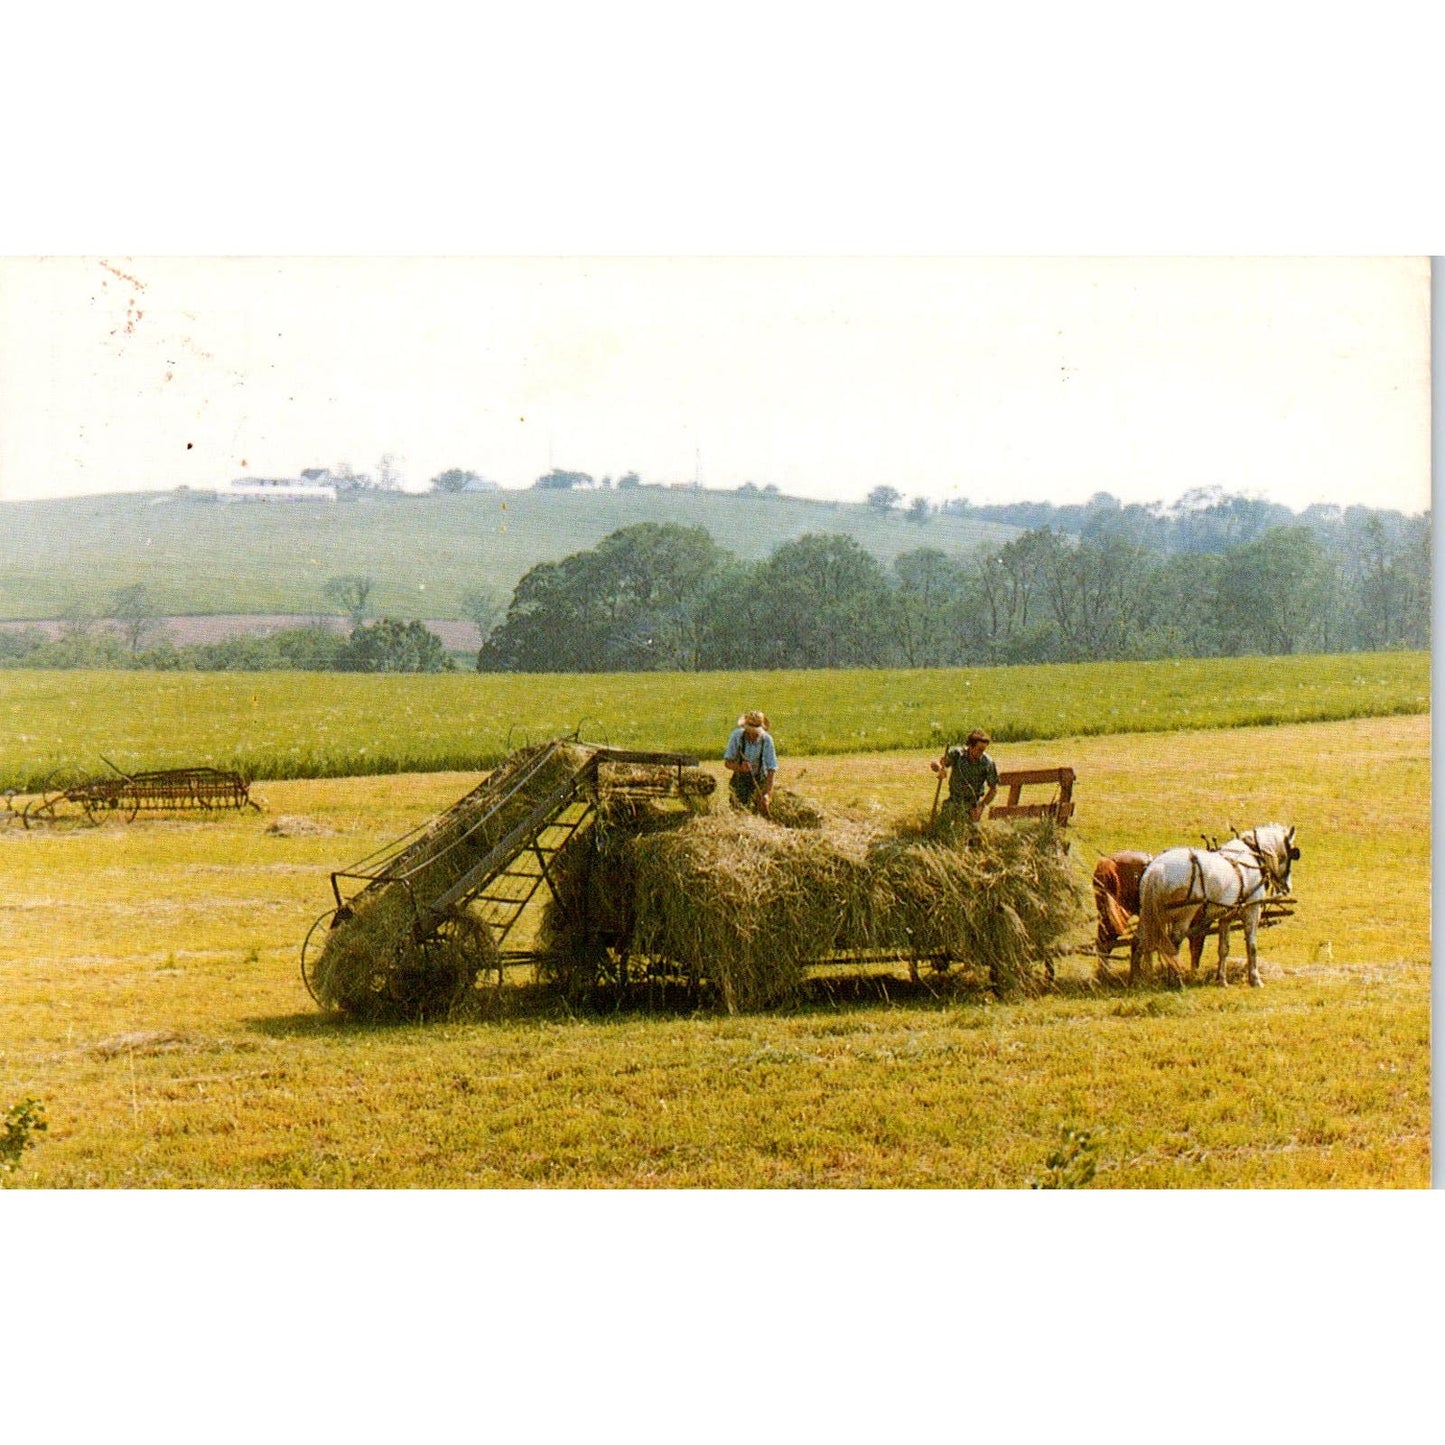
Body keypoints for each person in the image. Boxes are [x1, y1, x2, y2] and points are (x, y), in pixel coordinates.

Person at [931, 728, 999, 826]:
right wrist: (940, 769)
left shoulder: (987, 763)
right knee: (941, 829)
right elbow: (936, 763)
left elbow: (994, 788)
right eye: (979, 750)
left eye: (983, 750)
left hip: (972, 805)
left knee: (972, 836)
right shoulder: (957, 754)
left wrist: (981, 806)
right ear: (970, 746)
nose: (981, 753)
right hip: (953, 801)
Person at [724, 710, 777, 816]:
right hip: (740, 780)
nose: (752, 735)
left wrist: (767, 794)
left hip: (760, 778)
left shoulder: (766, 740)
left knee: (760, 812)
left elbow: (771, 769)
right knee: (738, 811)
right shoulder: (736, 736)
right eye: (750, 732)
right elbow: (727, 763)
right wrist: (740, 767)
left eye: (755, 733)